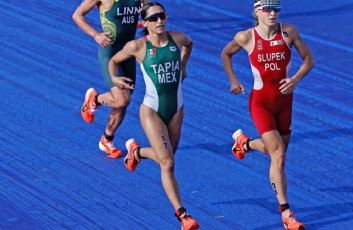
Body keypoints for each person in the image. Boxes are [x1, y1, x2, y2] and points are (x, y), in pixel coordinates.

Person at [221, 0, 314, 229]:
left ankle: (246, 144)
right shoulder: (246, 37)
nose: (272, 13)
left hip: (285, 102)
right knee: (279, 155)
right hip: (261, 103)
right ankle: (286, 213)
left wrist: (295, 80)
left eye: (276, 9)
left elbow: (309, 60)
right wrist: (233, 81)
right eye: (267, 9)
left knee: (277, 153)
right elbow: (226, 53)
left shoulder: (288, 32)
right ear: (256, 12)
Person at [108, 2, 199, 229]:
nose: (160, 21)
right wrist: (115, 79)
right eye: (154, 18)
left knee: (166, 156)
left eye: (162, 16)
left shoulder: (177, 39)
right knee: (167, 163)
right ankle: (183, 215)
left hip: (177, 108)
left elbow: (189, 44)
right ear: (145, 23)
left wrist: (184, 66)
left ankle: (136, 152)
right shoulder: (137, 46)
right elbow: (113, 60)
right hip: (151, 110)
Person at [72, 0, 147, 158]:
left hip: (128, 53)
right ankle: (96, 99)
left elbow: (147, 14)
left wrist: (145, 25)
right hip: (110, 52)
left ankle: (106, 139)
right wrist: (95, 35)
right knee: (122, 99)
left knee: (123, 101)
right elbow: (77, 15)